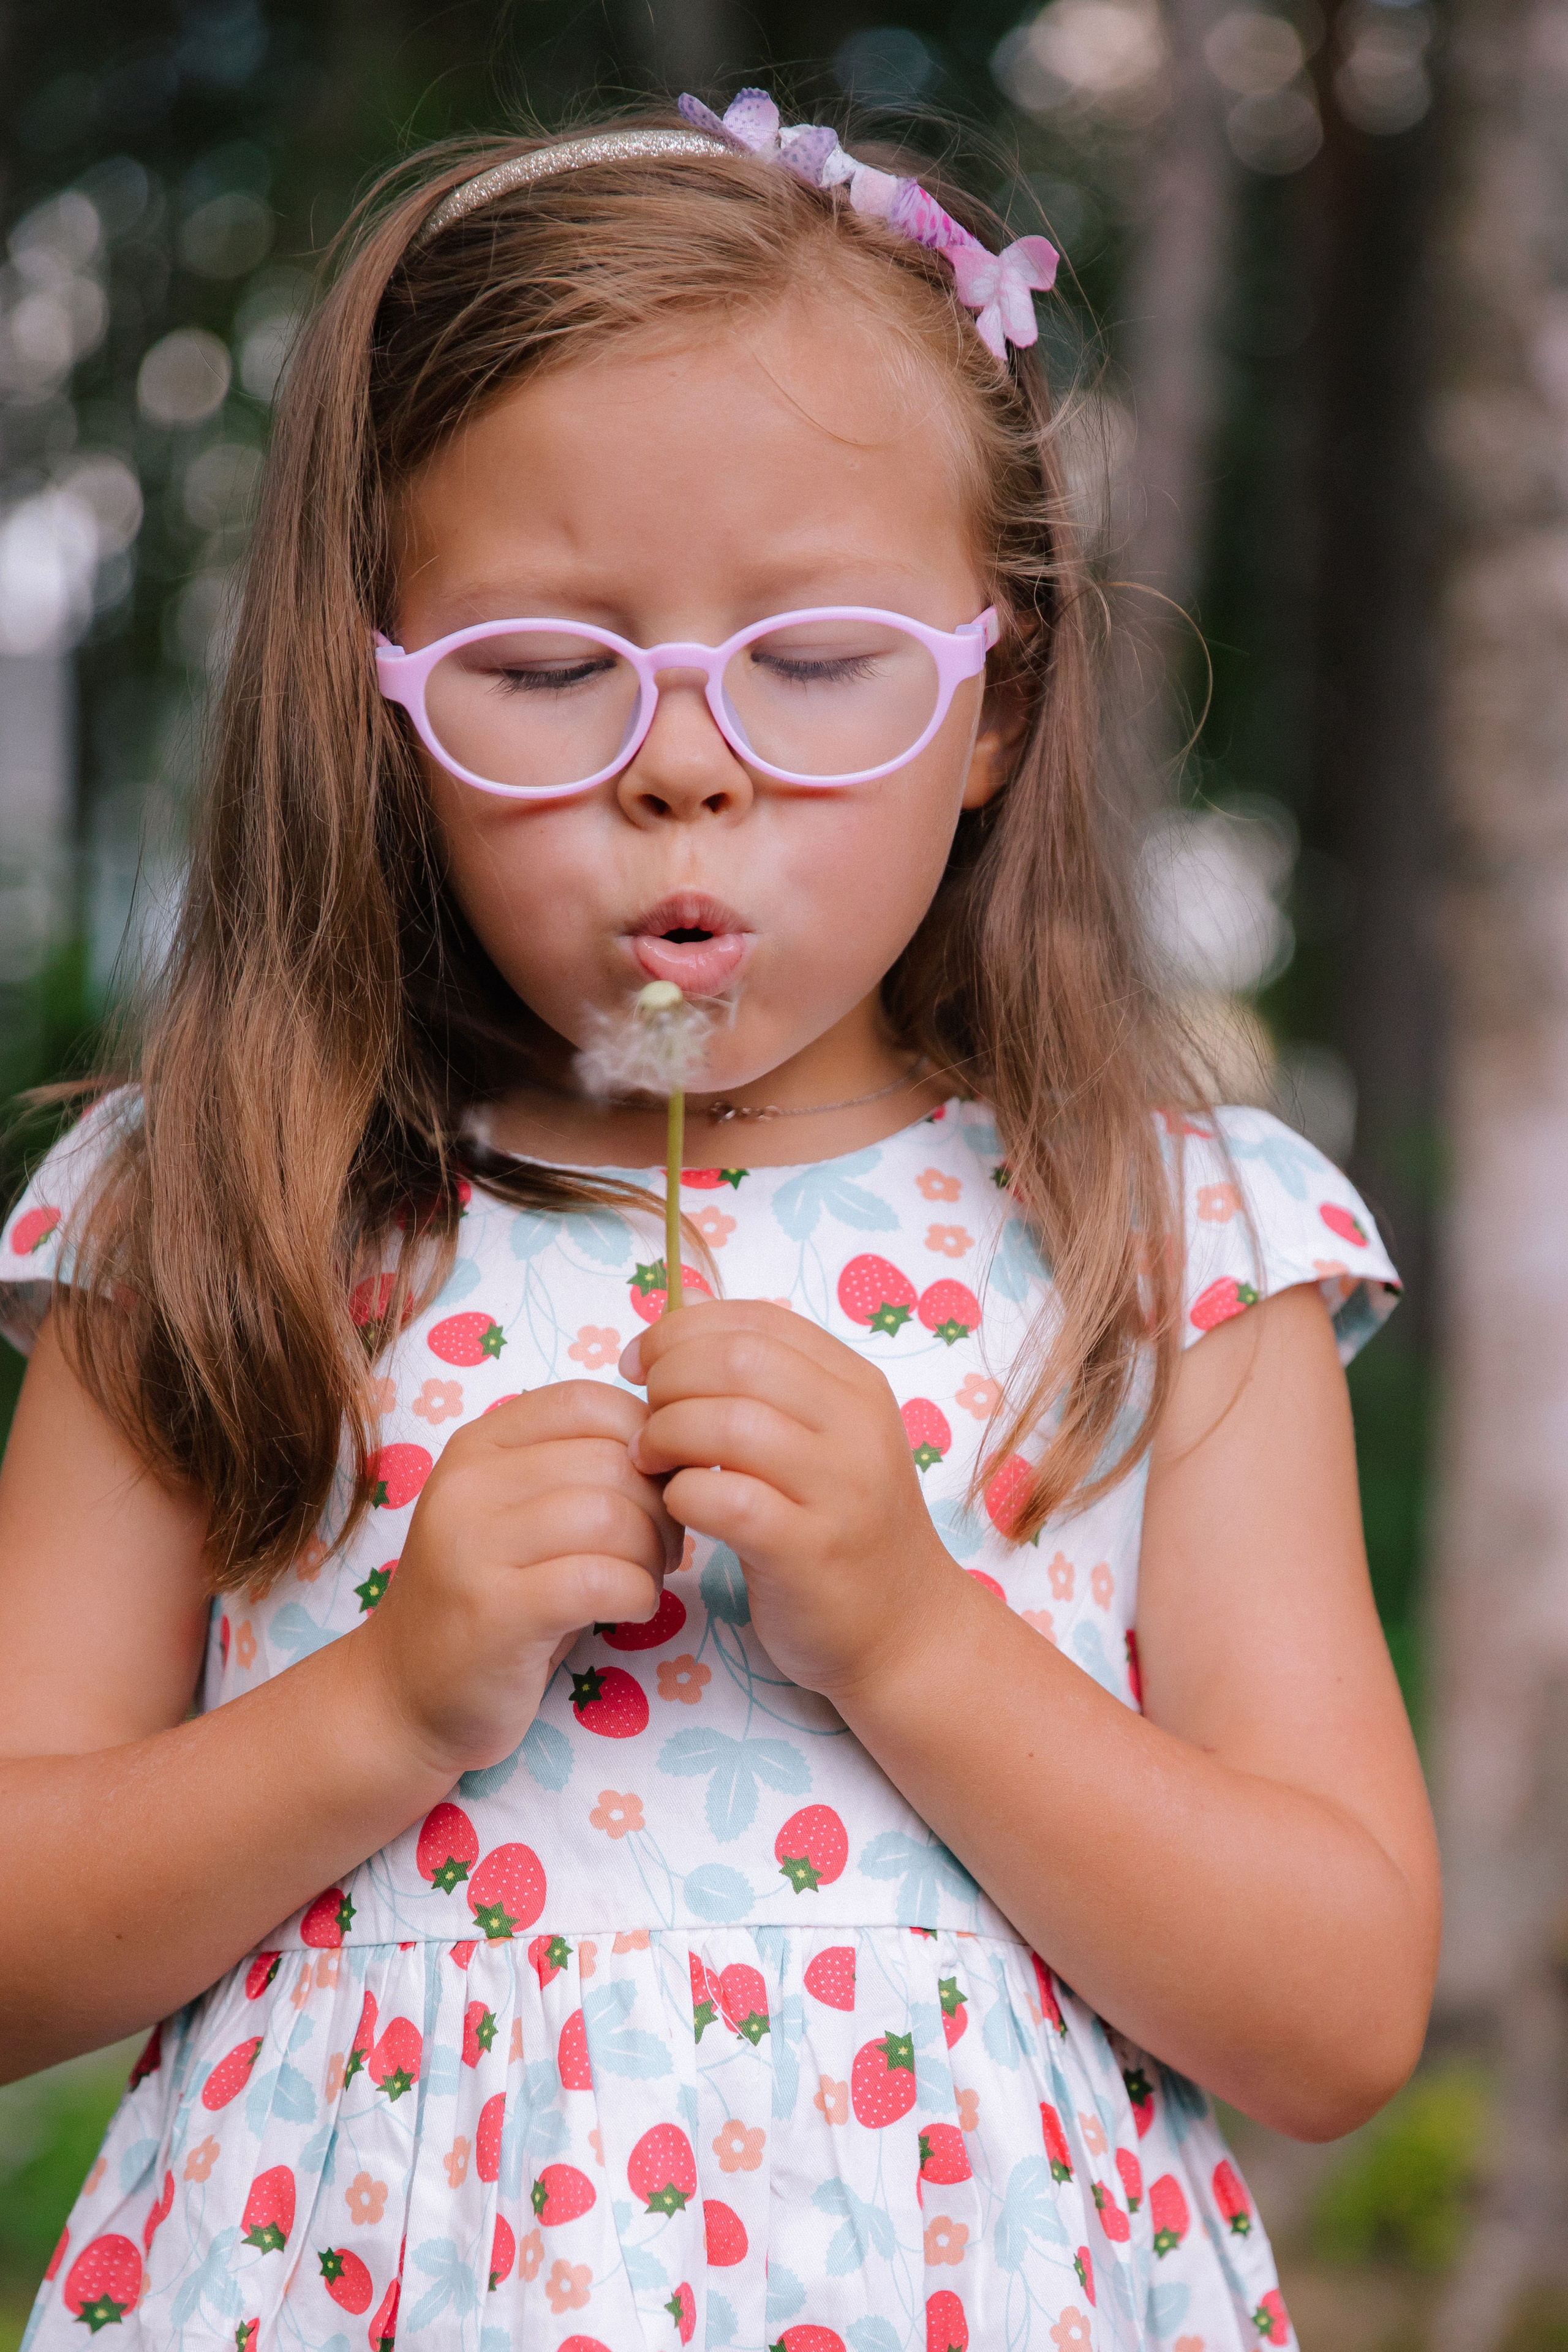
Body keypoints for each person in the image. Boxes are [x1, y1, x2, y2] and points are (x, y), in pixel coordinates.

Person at [0, 92, 1437, 2352]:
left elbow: (1341, 2014)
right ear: (381, 716)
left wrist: (921, 1640)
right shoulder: (220, 1220)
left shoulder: (1167, 1247)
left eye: (820, 661)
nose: (687, 765)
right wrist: (387, 1698)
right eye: (552, 675)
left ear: (999, 704)